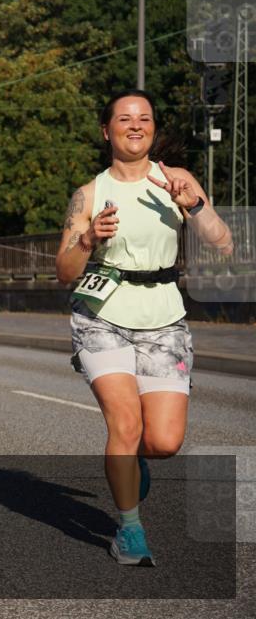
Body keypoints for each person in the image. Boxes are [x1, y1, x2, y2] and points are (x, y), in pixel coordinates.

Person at [56, 89, 233, 567]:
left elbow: (223, 243)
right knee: (126, 423)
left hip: (164, 317)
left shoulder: (176, 181)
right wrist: (88, 238)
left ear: (153, 127)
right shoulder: (90, 193)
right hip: (102, 316)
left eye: (145, 118)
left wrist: (194, 207)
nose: (135, 126)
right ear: (106, 130)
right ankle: (129, 529)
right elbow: (65, 271)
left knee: (163, 442)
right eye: (124, 119)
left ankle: (133, 464)